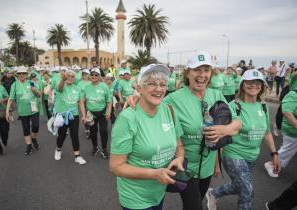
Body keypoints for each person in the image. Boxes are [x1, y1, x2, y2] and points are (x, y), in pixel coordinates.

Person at [127, 51, 242, 210]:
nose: (202, 74)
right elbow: (153, 104)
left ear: (211, 73)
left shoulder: (216, 94)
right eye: (197, 70)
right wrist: (138, 97)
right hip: (185, 166)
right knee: (194, 206)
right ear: (188, 73)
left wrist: (225, 129)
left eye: (206, 70)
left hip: (207, 167)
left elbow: (237, 123)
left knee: (197, 201)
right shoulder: (173, 99)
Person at [110, 64, 185, 210]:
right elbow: (116, 167)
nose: (158, 89)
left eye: (162, 84)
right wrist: (153, 173)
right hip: (135, 197)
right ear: (139, 88)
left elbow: (180, 146)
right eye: (151, 83)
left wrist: (179, 158)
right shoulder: (127, 118)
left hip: (158, 192)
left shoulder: (169, 110)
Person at [207, 69, 281, 210]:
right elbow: (220, 134)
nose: (254, 85)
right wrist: (217, 164)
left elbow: (267, 133)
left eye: (258, 82)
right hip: (233, 153)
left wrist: (274, 154)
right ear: (242, 85)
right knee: (247, 190)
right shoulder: (232, 106)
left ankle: (214, 193)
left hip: (252, 155)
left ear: (262, 86)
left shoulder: (263, 106)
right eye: (249, 82)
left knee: (239, 186)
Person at [53, 69, 87, 165]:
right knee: (62, 135)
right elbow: (59, 88)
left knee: (74, 135)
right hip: (62, 115)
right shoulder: (61, 85)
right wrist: (62, 80)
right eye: (68, 76)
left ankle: (77, 156)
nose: (70, 78)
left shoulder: (77, 88)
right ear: (65, 77)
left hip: (74, 115)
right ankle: (58, 149)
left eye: (72, 76)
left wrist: (83, 115)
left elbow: (80, 103)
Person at [6, 66, 42, 155]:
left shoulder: (31, 83)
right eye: (19, 73)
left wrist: (35, 90)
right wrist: (7, 111)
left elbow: (39, 95)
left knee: (36, 126)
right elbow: (10, 99)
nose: (21, 75)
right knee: (26, 129)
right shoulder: (14, 85)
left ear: (27, 74)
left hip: (34, 109)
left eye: (23, 73)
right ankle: (29, 145)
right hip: (23, 111)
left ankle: (33, 138)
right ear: (17, 75)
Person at [264, 88, 297, 178]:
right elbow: (287, 112)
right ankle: (271, 164)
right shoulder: (293, 94)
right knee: (288, 150)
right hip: (292, 131)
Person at [82, 68, 112, 159]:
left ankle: (104, 149)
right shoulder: (86, 87)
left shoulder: (104, 86)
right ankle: (95, 147)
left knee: (104, 131)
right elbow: (82, 101)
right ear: (89, 76)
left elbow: (109, 101)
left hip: (102, 113)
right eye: (92, 74)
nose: (93, 76)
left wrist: (108, 112)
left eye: (96, 75)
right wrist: (83, 115)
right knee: (93, 132)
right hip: (91, 114)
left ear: (99, 76)